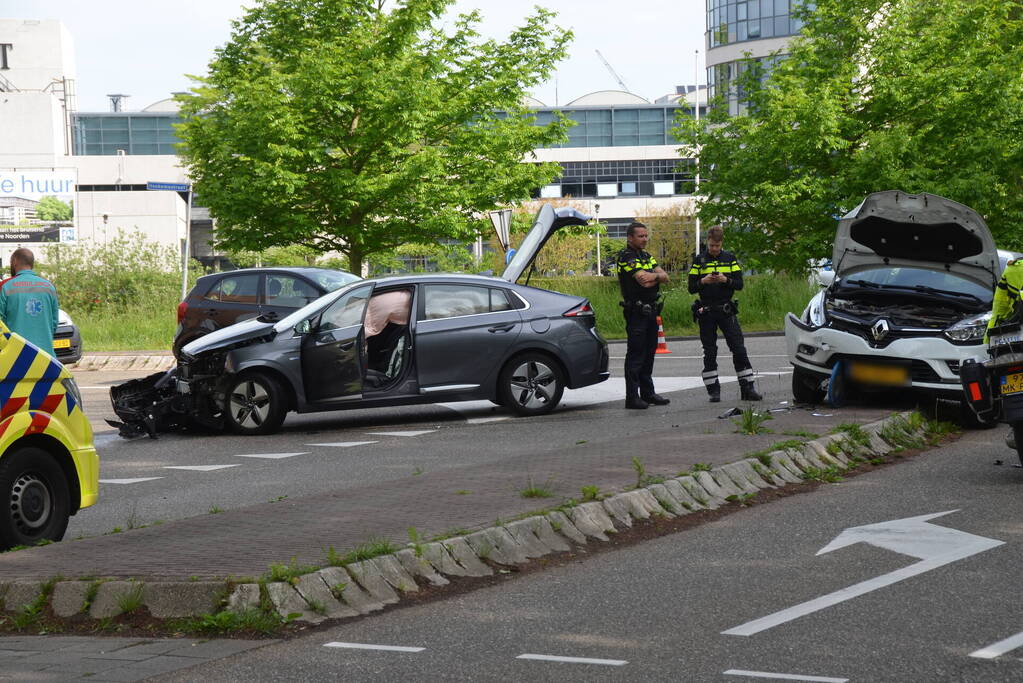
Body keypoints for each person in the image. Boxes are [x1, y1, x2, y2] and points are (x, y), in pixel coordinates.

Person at [688, 226, 761, 403]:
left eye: (717, 246)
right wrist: (703, 281)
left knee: (738, 348)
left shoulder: (729, 258)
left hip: (726, 309)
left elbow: (739, 284)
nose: (714, 249)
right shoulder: (699, 260)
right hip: (706, 310)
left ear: (722, 243)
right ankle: (714, 391)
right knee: (710, 351)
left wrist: (725, 279)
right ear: (707, 242)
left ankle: (748, 388)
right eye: (711, 245)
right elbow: (691, 288)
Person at [616, 221, 671, 409]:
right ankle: (632, 397)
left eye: (646, 235)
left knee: (649, 353)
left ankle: (648, 393)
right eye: (641, 236)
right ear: (630, 238)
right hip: (636, 312)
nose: (645, 239)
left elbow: (665, 277)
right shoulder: (626, 256)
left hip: (651, 311)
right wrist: (656, 277)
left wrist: (654, 277)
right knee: (636, 354)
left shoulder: (646, 256)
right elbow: (643, 281)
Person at [986, 258, 1023, 449]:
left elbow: (1000, 307)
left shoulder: (1014, 268)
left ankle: (1011, 426)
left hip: (1007, 339)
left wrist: (994, 336)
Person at [0, 248, 59, 358]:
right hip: (45, 356)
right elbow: (54, 323)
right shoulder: (49, 287)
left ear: (14, 262)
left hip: (16, 356)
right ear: (32, 263)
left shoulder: (6, 287)